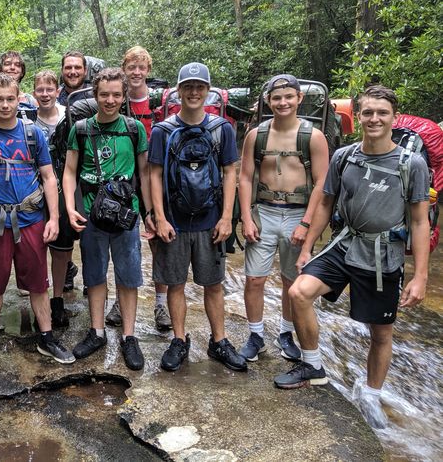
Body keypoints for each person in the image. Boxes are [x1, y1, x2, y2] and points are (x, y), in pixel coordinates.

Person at [274, 85, 429, 429]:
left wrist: (420, 275)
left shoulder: (411, 164)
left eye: (382, 113)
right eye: (368, 112)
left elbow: (419, 221)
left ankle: (371, 394)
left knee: (381, 333)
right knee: (299, 292)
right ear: (358, 117)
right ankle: (312, 365)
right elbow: (326, 203)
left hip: (383, 255)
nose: (374, 119)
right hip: (345, 245)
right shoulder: (344, 157)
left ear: (393, 118)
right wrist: (307, 247)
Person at [0, 73, 74, 364]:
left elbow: (49, 178)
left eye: (10, 99)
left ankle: (47, 336)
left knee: (38, 283)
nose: (4, 105)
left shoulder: (32, 133)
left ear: (19, 98)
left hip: (31, 219)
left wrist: (53, 218)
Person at [149, 62, 246, 373]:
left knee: (214, 284)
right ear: (178, 91)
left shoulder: (221, 129)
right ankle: (179, 339)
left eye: (199, 87)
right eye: (188, 87)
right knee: (175, 284)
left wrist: (227, 217)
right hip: (174, 222)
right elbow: (154, 175)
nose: (193, 92)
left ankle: (219, 340)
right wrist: (159, 218)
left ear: (208, 91)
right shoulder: (163, 131)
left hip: (211, 220)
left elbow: (231, 172)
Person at [63, 67, 153, 371]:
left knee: (128, 276)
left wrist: (149, 212)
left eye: (116, 94)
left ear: (124, 95)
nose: (110, 100)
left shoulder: (134, 129)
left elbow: (144, 173)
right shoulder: (82, 129)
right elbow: (69, 171)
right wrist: (70, 206)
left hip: (126, 215)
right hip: (92, 213)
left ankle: (129, 336)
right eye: (104, 94)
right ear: (95, 94)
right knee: (95, 274)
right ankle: (97, 331)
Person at [237, 75, 328, 362]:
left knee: (292, 281)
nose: (283, 102)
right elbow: (245, 177)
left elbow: (322, 183)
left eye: (289, 97)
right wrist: (246, 218)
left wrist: (306, 224)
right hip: (264, 212)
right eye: (276, 98)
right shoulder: (257, 135)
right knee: (254, 279)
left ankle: (286, 333)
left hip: (297, 215)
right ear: (268, 102)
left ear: (299, 99)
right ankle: (255, 334)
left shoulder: (313, 136)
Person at [105, 46, 172, 331]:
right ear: (124, 69)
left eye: (141, 67)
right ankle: (121, 301)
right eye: (131, 67)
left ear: (148, 70)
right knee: (122, 243)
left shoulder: (159, 102)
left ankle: (161, 304)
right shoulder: (116, 100)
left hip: (154, 175)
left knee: (159, 242)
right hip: (125, 180)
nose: (136, 72)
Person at [33, 70, 72, 326]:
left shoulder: (70, 117)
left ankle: (57, 299)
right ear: (34, 92)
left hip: (62, 186)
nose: (45, 94)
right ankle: (40, 300)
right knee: (36, 248)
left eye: (50, 89)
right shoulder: (26, 119)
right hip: (34, 191)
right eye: (40, 90)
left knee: (61, 249)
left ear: (57, 91)